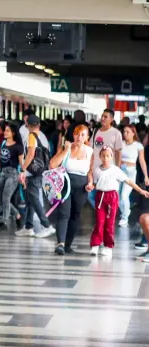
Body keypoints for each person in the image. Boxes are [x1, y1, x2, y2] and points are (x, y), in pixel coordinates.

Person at [89, 146, 149, 257]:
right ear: (100, 157)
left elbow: (128, 181)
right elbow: (95, 182)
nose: (105, 158)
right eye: (103, 156)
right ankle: (95, 244)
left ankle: (108, 246)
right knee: (99, 221)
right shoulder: (97, 170)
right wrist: (91, 185)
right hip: (100, 197)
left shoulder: (115, 170)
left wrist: (141, 191)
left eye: (108, 155)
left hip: (111, 197)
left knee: (109, 223)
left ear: (112, 157)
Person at [49, 125, 93, 255]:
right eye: (77, 134)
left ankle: (68, 244)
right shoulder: (66, 148)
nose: (79, 137)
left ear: (87, 138)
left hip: (81, 186)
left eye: (82, 135)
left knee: (75, 215)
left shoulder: (90, 151)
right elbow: (52, 164)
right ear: (73, 135)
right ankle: (60, 244)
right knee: (63, 213)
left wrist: (90, 182)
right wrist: (66, 150)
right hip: (65, 185)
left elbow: (90, 170)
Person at [17, 115, 55, 238]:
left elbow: (31, 153)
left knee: (34, 199)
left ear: (27, 124)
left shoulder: (31, 136)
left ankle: (47, 225)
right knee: (30, 200)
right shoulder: (42, 135)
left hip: (32, 172)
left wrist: (23, 168)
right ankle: (28, 227)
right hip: (40, 170)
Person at [0, 122, 23, 232]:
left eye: (8, 131)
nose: (5, 132)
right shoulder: (3, 143)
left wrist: (23, 174)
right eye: (5, 130)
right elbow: (0, 158)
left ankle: (4, 222)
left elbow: (21, 163)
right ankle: (17, 215)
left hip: (13, 174)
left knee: (6, 197)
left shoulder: (18, 147)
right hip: (3, 173)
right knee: (2, 198)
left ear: (13, 133)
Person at [89, 109, 123, 208]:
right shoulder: (96, 131)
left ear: (111, 119)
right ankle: (101, 211)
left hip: (109, 170)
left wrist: (118, 168)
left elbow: (118, 152)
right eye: (102, 116)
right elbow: (91, 149)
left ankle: (106, 214)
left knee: (108, 196)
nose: (102, 118)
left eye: (105, 117)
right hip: (95, 169)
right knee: (90, 195)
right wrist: (90, 166)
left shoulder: (116, 133)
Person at [118, 124, 149, 228]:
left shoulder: (138, 145)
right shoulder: (120, 143)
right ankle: (124, 212)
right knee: (117, 196)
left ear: (133, 133)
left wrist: (146, 176)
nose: (125, 134)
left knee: (124, 195)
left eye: (127, 132)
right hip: (119, 170)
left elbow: (142, 161)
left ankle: (125, 217)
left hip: (130, 172)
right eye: (124, 132)